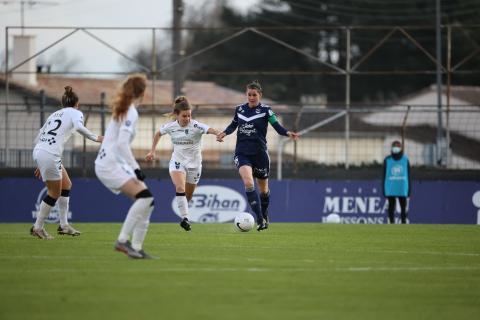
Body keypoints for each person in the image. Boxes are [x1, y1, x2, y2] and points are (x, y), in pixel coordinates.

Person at [216, 80, 299, 231]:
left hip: (260, 154)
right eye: (249, 94)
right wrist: (224, 133)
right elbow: (234, 124)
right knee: (248, 183)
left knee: (264, 190)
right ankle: (260, 219)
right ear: (246, 95)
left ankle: (265, 214)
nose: (251, 97)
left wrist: (287, 133)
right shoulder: (239, 109)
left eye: (254, 95)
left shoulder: (267, 110)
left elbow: (277, 126)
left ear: (260, 95)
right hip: (242, 153)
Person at [31, 86, 103, 239]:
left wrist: (40, 162)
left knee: (67, 185)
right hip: (50, 154)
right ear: (77, 104)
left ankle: (64, 225)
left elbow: (38, 136)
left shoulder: (54, 114)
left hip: (41, 151)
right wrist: (96, 138)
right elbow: (78, 127)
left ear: (63, 103)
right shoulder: (76, 113)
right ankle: (38, 227)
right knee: (54, 193)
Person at [95, 74, 154, 259]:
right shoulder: (130, 111)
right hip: (110, 164)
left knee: (149, 202)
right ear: (142, 92)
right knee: (144, 198)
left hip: (110, 162)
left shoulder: (125, 109)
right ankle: (122, 241)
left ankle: (136, 248)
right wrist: (136, 168)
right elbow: (121, 144)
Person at [145, 96, 221, 231]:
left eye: (189, 116)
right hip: (177, 162)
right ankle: (185, 218)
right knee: (180, 188)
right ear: (177, 115)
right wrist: (152, 151)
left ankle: (184, 214)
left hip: (195, 164)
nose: (187, 119)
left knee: (188, 196)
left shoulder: (196, 125)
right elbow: (158, 134)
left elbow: (210, 129)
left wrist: (217, 133)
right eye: (184, 116)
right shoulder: (171, 127)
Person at [382, 140, 411, 224]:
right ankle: (391, 223)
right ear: (391, 148)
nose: (396, 148)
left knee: (403, 207)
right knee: (391, 206)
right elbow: (384, 176)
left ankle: (404, 222)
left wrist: (409, 190)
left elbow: (408, 175)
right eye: (394, 146)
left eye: (397, 146)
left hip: (402, 187)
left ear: (400, 148)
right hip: (390, 187)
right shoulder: (387, 160)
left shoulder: (405, 160)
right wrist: (384, 189)